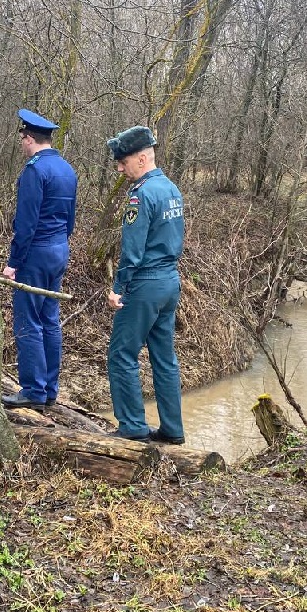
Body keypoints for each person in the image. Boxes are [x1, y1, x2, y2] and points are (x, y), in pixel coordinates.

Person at [105, 125, 186, 445]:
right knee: (164, 358)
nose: (120, 168)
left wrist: (118, 288)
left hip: (145, 284)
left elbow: (133, 251)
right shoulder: (171, 189)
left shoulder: (141, 194)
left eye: (123, 162)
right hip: (170, 282)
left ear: (142, 158)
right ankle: (172, 429)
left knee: (121, 355)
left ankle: (133, 426)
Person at [0, 109, 78, 411]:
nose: (21, 144)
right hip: (59, 249)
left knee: (28, 320)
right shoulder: (66, 169)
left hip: (35, 253)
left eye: (22, 139)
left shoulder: (35, 170)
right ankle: (50, 389)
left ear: (30, 138)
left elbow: (26, 223)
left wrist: (13, 261)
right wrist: (60, 244)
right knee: (50, 319)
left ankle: (33, 390)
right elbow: (70, 218)